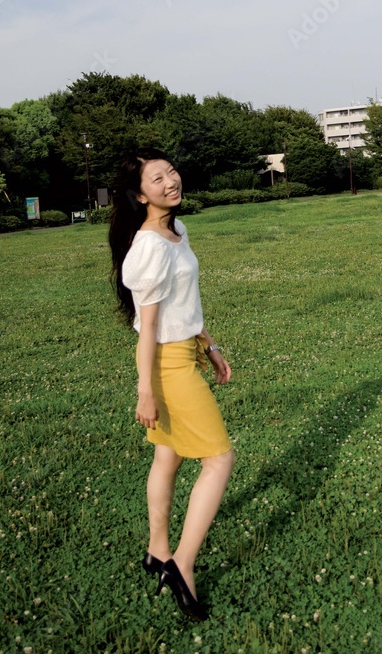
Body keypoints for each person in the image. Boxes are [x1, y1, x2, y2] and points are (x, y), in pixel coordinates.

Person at [109, 149, 235, 622]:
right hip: (167, 366)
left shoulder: (177, 231)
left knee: (168, 456)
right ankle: (183, 563)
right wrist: (146, 390)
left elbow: (187, 301)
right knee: (220, 459)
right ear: (140, 195)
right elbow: (149, 330)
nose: (170, 182)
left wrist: (211, 344)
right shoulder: (149, 247)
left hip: (186, 353)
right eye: (156, 179)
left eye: (172, 172)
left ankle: (157, 551)